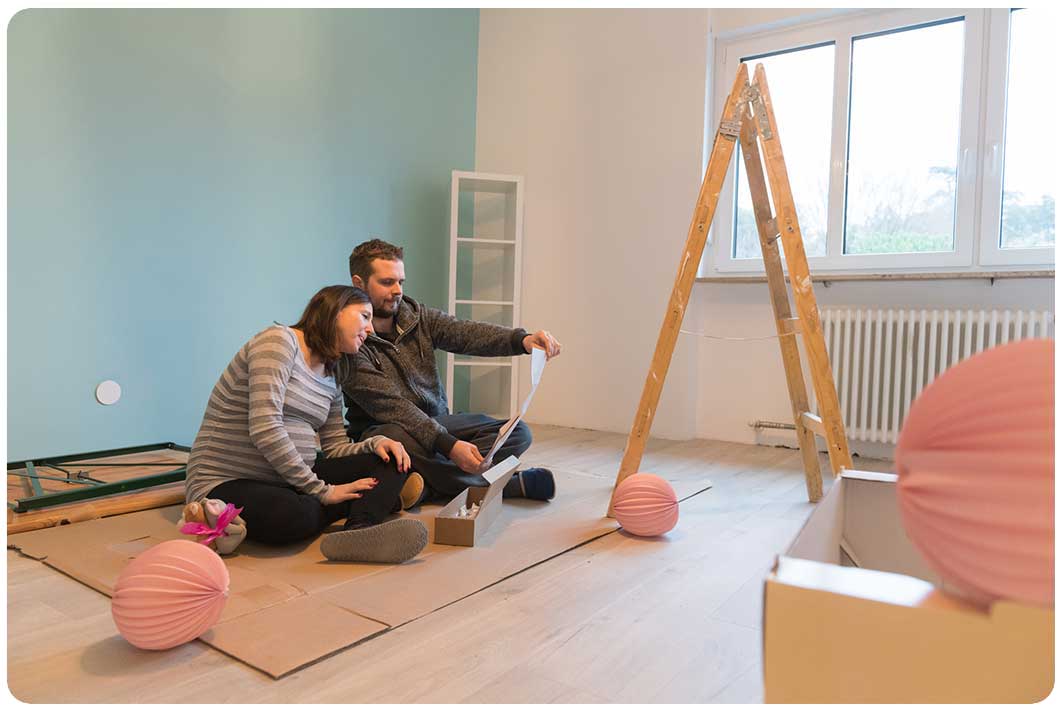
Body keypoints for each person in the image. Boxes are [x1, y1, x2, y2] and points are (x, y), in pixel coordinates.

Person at [184, 285, 428, 563]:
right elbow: (265, 428)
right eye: (364, 316)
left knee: (390, 459)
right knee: (294, 515)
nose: (370, 329)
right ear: (336, 310)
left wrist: (377, 443)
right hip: (227, 480)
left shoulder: (334, 374)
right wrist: (323, 491)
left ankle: (359, 531)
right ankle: (368, 505)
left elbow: (335, 447)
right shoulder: (278, 342)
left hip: (291, 480)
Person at [340, 239, 563, 505]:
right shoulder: (349, 339)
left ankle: (427, 485)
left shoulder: (417, 316)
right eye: (387, 282)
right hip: (386, 433)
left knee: (518, 432)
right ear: (359, 283)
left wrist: (522, 341)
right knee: (392, 435)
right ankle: (505, 485)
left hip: (437, 422)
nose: (397, 290)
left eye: (401, 281)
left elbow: (466, 333)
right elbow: (394, 408)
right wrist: (449, 446)